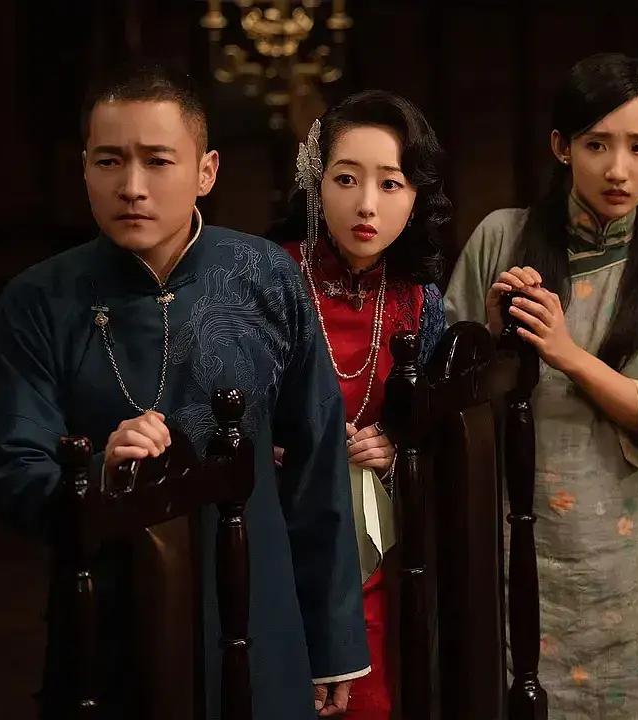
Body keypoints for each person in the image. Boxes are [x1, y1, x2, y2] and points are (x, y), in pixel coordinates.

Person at [0, 62, 368, 719]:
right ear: (84, 169)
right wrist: (99, 475)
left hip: (261, 611)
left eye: (158, 161)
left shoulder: (265, 276)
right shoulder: (39, 300)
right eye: (109, 161)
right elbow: (13, 471)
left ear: (206, 171)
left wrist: (333, 642)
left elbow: (317, 462)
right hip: (108, 621)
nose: (132, 187)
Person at [444, 53, 638, 719]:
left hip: (623, 561)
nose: (618, 169)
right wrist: (490, 333)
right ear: (561, 147)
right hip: (510, 547)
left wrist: (567, 354)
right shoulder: (501, 237)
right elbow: (442, 388)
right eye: (597, 145)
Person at [268, 89, 450, 719]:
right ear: (315, 184)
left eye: (391, 183)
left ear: (416, 196)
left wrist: (397, 447)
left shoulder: (419, 299)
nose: (366, 204)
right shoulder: (269, 277)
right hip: (273, 532)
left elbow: (435, 424)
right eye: (346, 179)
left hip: (372, 542)